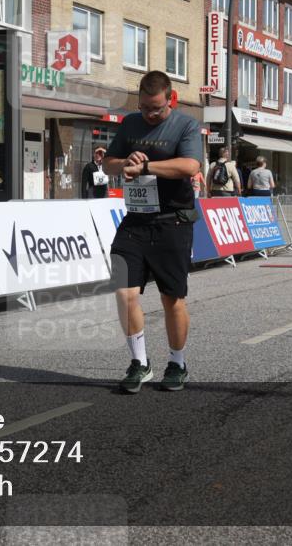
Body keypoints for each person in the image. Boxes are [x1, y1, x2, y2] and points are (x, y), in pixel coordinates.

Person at [103, 71, 202, 393]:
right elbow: (109, 164)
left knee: (171, 298)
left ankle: (177, 362)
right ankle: (140, 362)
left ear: (169, 99)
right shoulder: (130, 123)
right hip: (136, 219)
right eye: (145, 107)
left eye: (156, 109)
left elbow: (190, 166)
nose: (149, 114)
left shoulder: (185, 125)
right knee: (124, 291)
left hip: (173, 219)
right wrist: (125, 162)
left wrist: (145, 167)